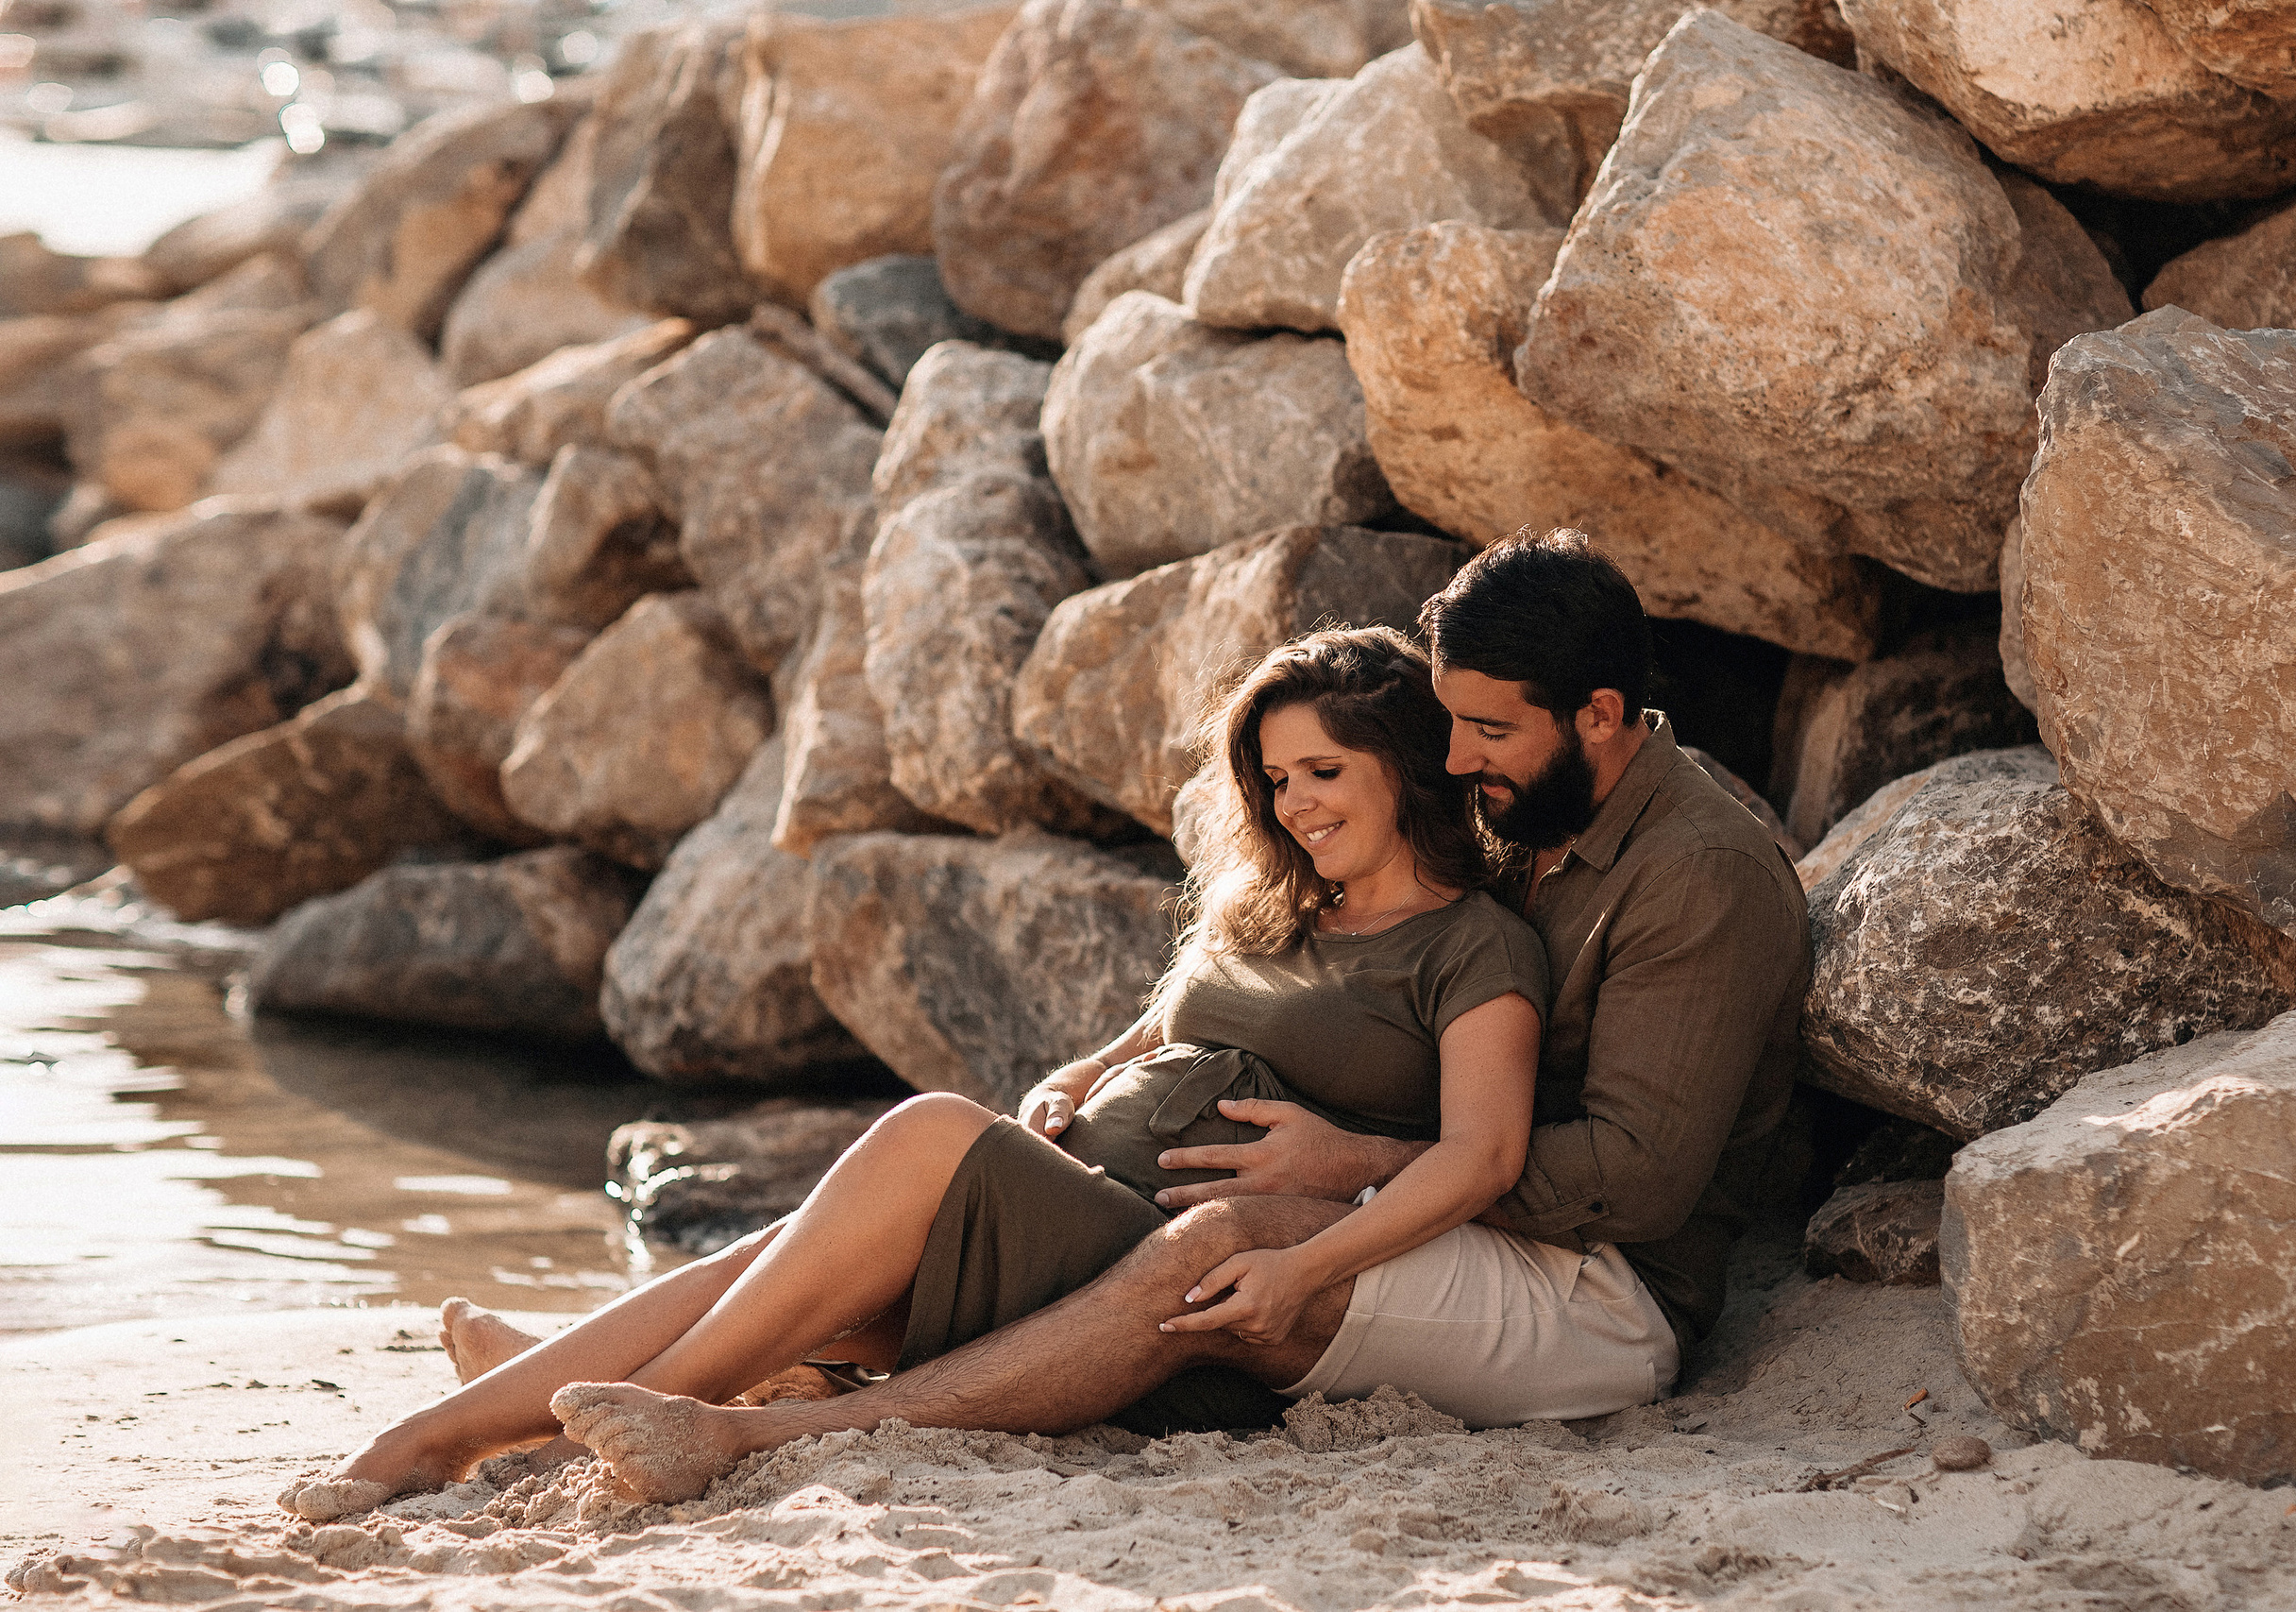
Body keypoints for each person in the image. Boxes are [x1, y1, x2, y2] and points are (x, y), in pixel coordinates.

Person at [509, 531, 1812, 1496]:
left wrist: (1349, 1170)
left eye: (1484, 733)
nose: (1458, 764)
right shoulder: (1537, 804)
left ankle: (747, 1432)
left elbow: (1630, 1186)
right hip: (1457, 1214)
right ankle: (542, 1400)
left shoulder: (1694, 875)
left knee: (1212, 1242)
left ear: (1598, 716)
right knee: (929, 1215)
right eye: (1450, 731)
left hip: (1600, 1296)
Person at [277, 625, 1551, 1519]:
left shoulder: (1473, 945)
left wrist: (1334, 1196)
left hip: (1158, 1287)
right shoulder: (1278, 905)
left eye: (1326, 772)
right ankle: (449, 1434)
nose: (1297, 803)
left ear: (1409, 769)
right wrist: (1077, 1077)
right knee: (772, 1253)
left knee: (927, 1135)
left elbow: (1484, 1156)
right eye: (1276, 779)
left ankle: (571, 1412)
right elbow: (1162, 1031)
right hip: (1077, 1203)